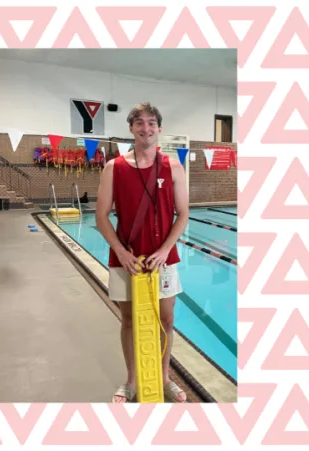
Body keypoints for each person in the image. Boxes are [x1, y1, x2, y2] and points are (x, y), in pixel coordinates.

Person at [95, 102, 189, 403]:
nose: (145, 128)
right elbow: (101, 216)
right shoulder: (114, 168)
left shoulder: (173, 166)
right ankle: (132, 381)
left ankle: (163, 379)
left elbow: (183, 214)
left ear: (159, 128)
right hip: (127, 257)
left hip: (163, 258)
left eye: (151, 122)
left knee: (166, 320)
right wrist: (121, 253)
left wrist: (164, 250)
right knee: (129, 320)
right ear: (131, 128)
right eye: (139, 122)